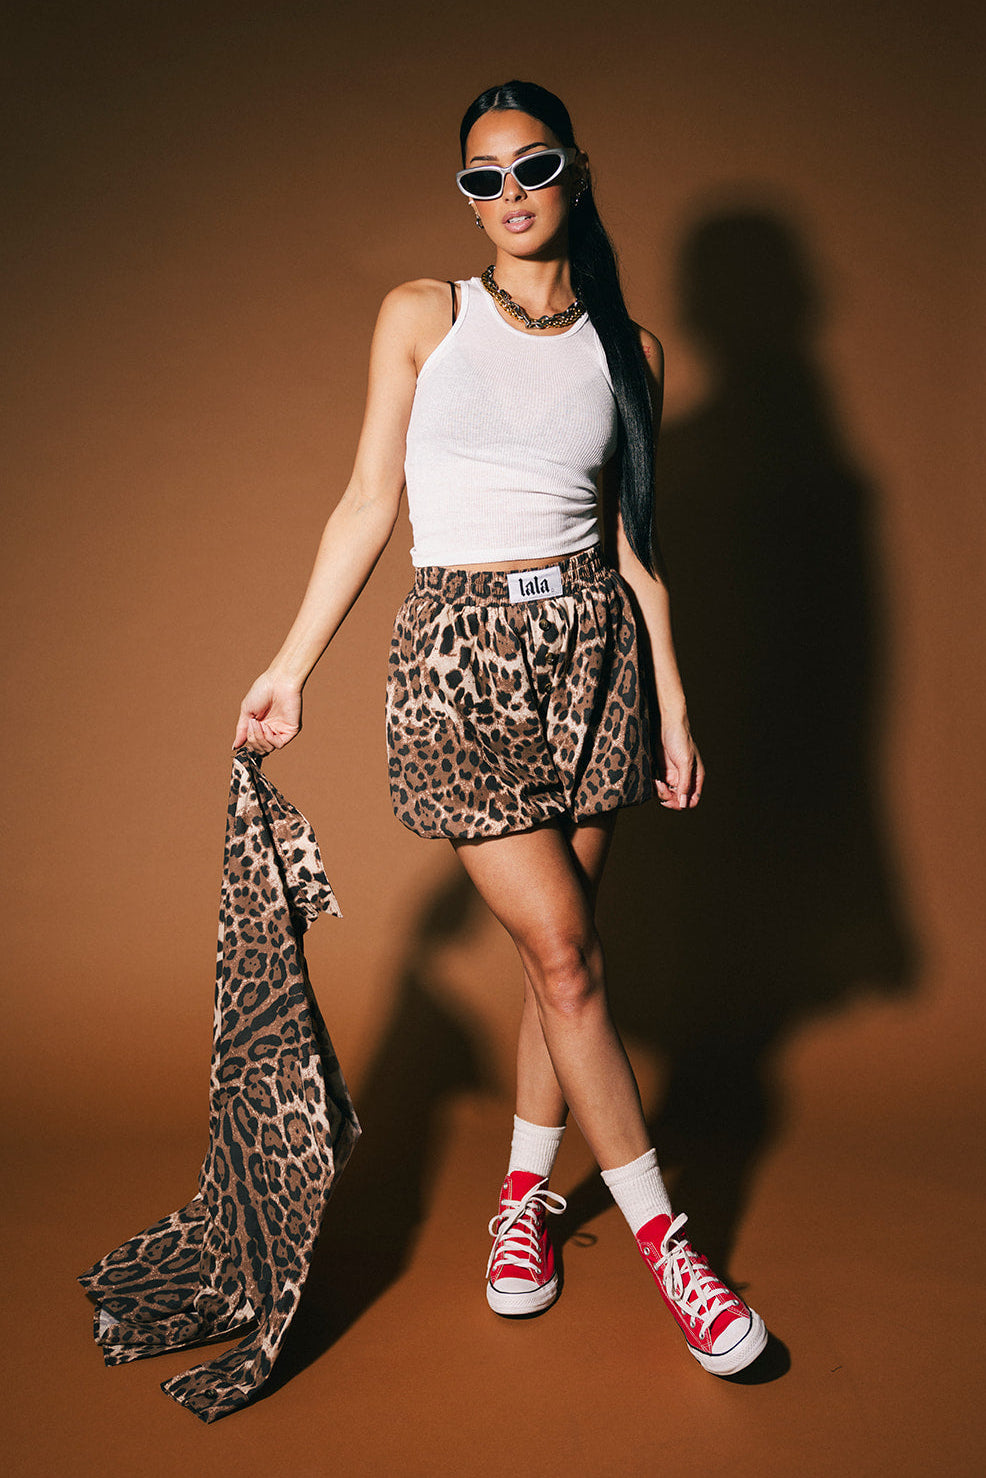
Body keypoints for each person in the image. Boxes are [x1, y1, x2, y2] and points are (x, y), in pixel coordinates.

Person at [234, 79, 767, 1376]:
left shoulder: (630, 353)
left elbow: (637, 552)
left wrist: (677, 707)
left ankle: (522, 1202)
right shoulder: (425, 316)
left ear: (575, 174)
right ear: (464, 195)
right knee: (571, 953)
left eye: (531, 167)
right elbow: (366, 501)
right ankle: (670, 1248)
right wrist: (289, 665)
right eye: (482, 176)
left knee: (555, 967)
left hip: (594, 665)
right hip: (459, 668)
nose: (509, 193)